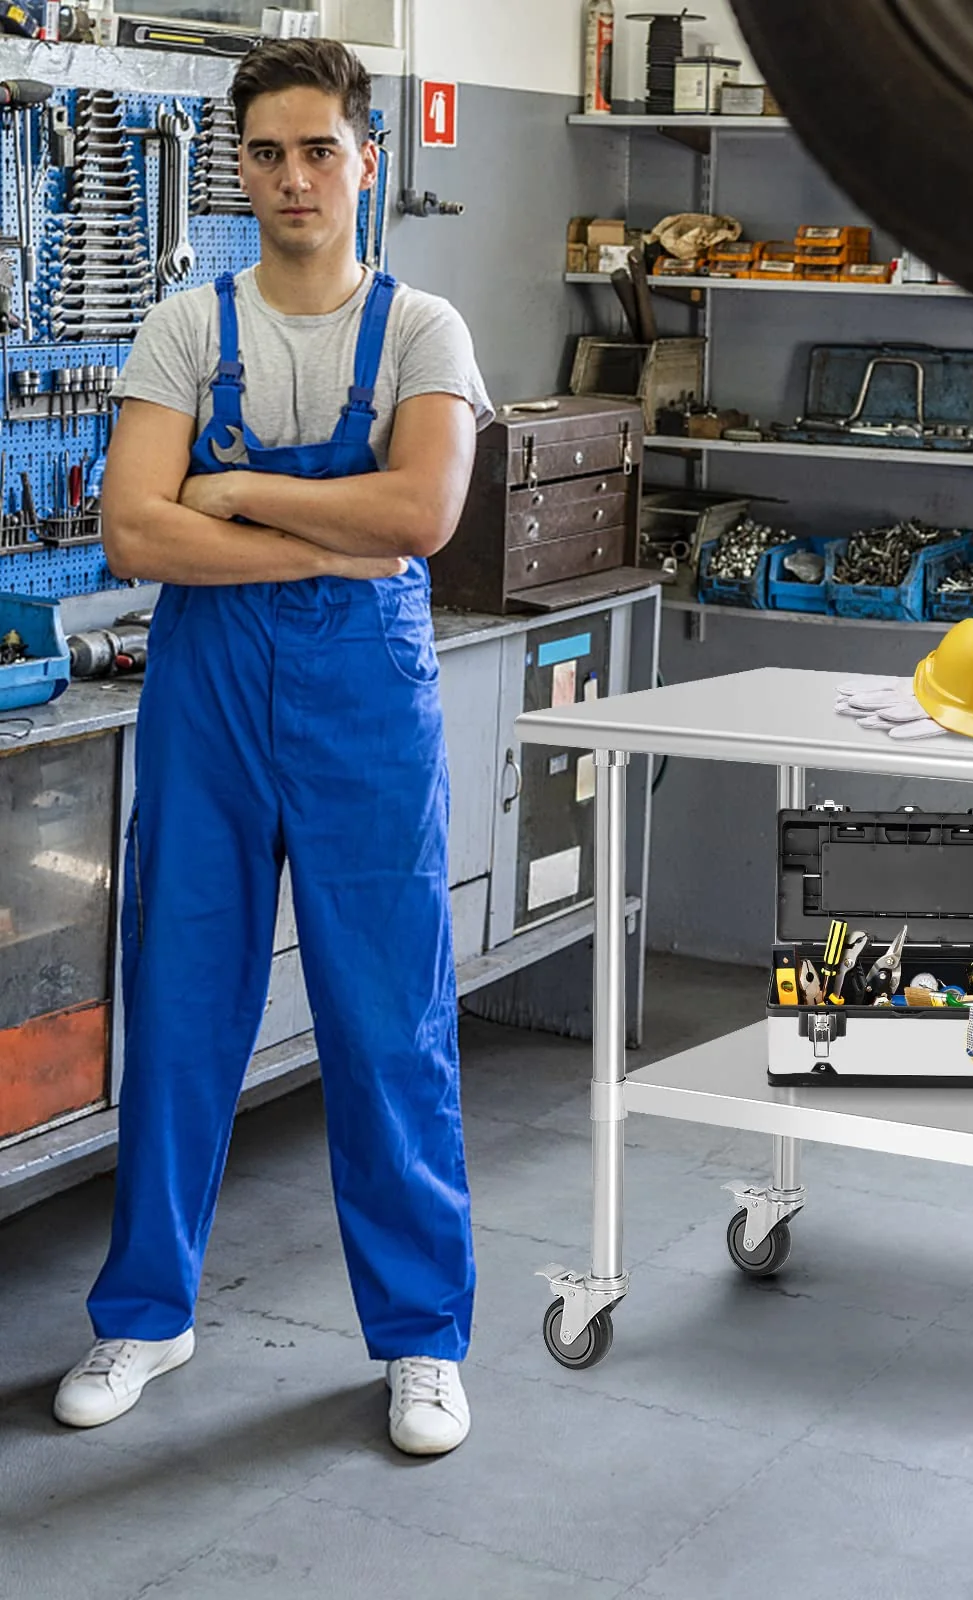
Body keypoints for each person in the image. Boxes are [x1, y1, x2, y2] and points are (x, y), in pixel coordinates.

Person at [52, 38, 492, 1456]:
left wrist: (229, 494)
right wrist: (321, 534)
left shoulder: (425, 332)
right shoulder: (185, 327)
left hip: (367, 700)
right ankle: (145, 1315)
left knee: (389, 1017)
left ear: (368, 159)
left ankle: (422, 1340)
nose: (294, 178)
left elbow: (422, 518)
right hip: (212, 693)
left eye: (320, 149)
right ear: (237, 170)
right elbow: (130, 530)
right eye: (266, 153)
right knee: (181, 1000)